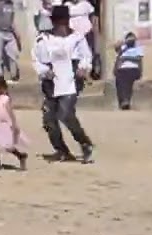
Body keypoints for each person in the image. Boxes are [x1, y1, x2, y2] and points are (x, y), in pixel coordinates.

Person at [34, 5, 94, 163]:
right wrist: (44, 71)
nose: (61, 26)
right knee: (48, 119)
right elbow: (37, 60)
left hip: (70, 81)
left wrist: (83, 68)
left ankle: (85, 143)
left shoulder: (77, 39)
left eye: (64, 23)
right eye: (58, 23)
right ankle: (61, 150)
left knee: (65, 114)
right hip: (51, 83)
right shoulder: (43, 40)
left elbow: (86, 57)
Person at [0, 75, 28, 170]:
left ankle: (21, 156)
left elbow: (10, 112)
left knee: (8, 146)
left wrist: (14, 124)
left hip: (4, 126)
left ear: (1, 89)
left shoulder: (5, 99)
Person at [68, 0, 99, 79]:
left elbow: (93, 16)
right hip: (72, 32)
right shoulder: (66, 5)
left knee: (88, 52)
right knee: (74, 53)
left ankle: (88, 72)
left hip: (86, 30)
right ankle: (75, 72)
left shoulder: (86, 4)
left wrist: (94, 27)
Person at [113, 32, 143, 110]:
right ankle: (122, 102)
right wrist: (124, 46)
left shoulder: (138, 48)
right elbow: (117, 53)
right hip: (122, 69)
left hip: (133, 69)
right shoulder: (123, 48)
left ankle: (126, 100)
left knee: (126, 80)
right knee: (119, 82)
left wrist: (126, 58)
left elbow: (139, 59)